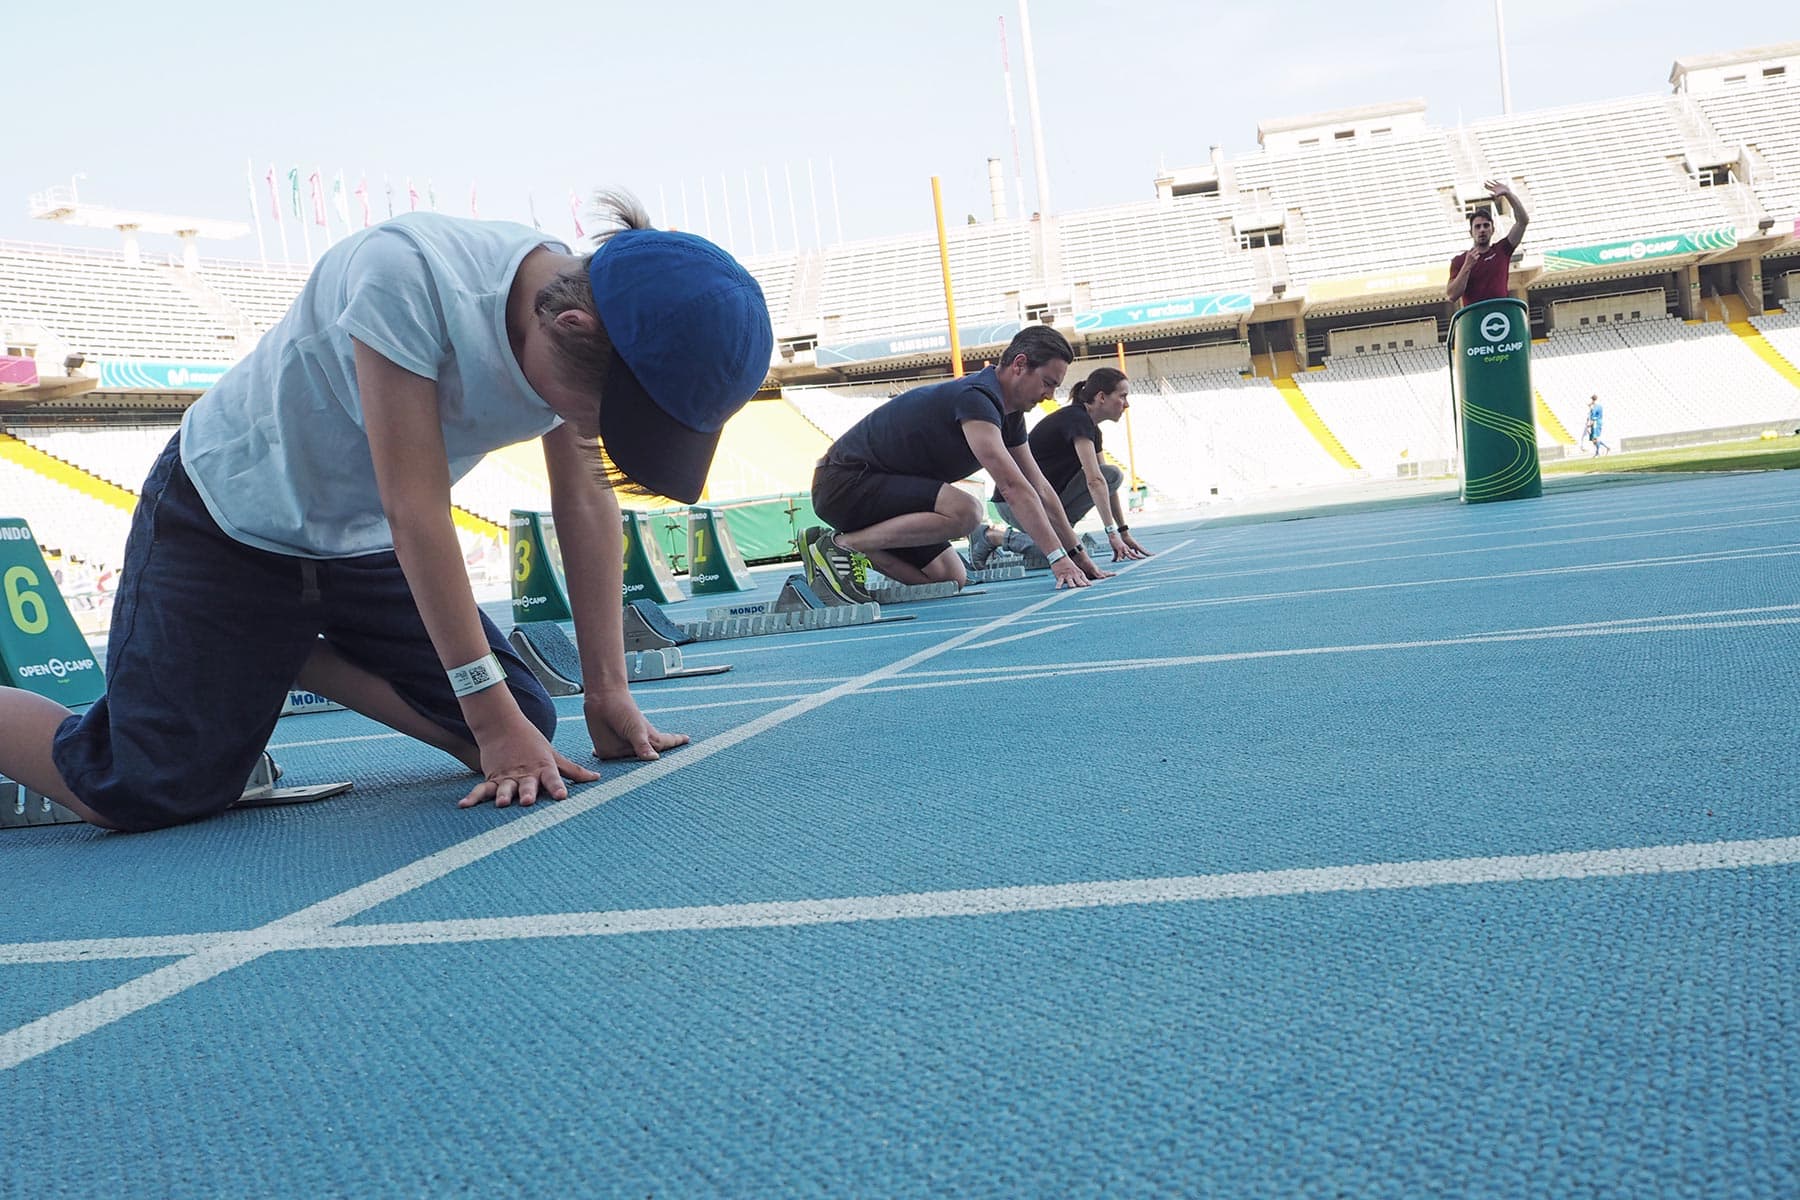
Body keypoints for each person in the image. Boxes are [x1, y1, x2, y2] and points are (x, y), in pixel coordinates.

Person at [0, 193, 773, 832]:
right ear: (572, 328)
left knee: (524, 727)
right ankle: (254, 641)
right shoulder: (409, 275)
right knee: (143, 787)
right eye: (605, 417)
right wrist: (487, 721)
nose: (595, 434)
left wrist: (607, 689)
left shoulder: (588, 323)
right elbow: (417, 510)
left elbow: (585, 499)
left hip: (358, 543)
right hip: (228, 520)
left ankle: (281, 650)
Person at [806, 325, 1111, 600]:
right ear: (1019, 365)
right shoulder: (976, 397)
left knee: (950, 578)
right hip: (843, 483)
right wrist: (1057, 559)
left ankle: (839, 544)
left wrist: (1077, 555)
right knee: (966, 511)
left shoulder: (1011, 415)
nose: (1050, 396)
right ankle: (843, 547)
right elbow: (1013, 488)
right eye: (1047, 383)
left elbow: (1040, 488)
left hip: (886, 493)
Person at [969, 367, 1150, 566]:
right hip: (1016, 502)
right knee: (1055, 554)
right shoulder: (1077, 419)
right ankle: (991, 535)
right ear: (1101, 397)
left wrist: (1123, 531)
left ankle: (1064, 533)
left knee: (1112, 475)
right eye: (1122, 396)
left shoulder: (1091, 429)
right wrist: (1111, 533)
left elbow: (1105, 484)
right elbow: (1095, 481)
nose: (1127, 404)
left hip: (1046, 501)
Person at [1446, 179, 1530, 309]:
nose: (1482, 230)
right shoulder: (1460, 261)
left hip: (1501, 316)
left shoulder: (1502, 250)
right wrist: (1467, 266)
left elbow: (1522, 221)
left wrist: (1509, 194)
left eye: (1486, 226)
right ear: (1471, 232)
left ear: (1492, 230)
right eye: (1477, 227)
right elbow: (1452, 295)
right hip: (1476, 318)